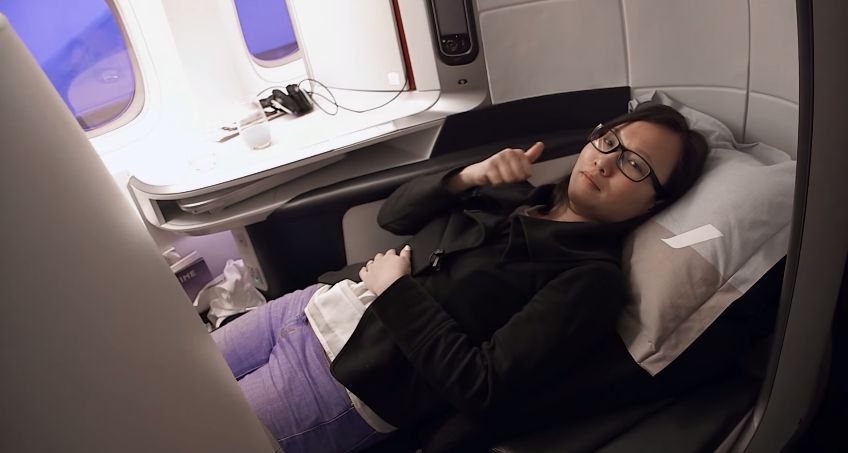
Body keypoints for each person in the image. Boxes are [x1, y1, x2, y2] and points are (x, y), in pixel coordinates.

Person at [212, 103, 710, 453]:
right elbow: (394, 216)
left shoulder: (590, 280)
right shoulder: (516, 195)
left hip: (342, 383)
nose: (605, 161)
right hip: (308, 307)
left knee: (190, 433)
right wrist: (465, 177)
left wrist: (396, 291)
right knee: (172, 383)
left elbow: (482, 385)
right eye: (609, 141)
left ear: (655, 203)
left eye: (634, 164)